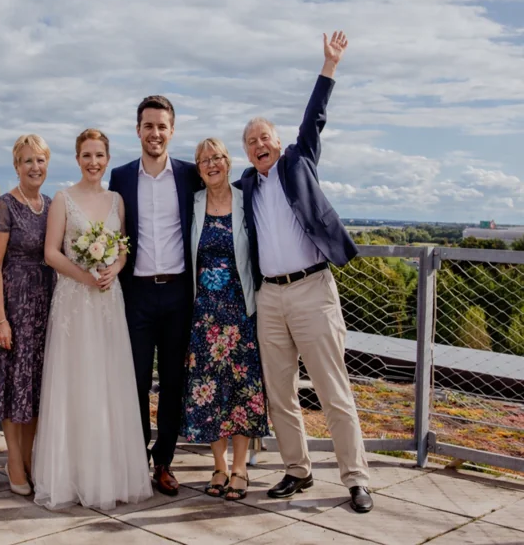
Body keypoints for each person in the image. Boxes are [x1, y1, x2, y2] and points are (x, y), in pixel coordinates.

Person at [236, 31, 373, 513]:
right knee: (280, 394)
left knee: (333, 390)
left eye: (264, 137)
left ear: (278, 142)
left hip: (313, 288)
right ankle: (297, 470)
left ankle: (356, 478)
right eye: (251, 141)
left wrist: (329, 66)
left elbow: (314, 116)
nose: (259, 144)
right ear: (246, 153)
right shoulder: (245, 186)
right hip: (270, 297)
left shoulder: (298, 162)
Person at [32, 129, 152, 511]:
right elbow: (51, 253)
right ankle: (74, 477)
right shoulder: (63, 200)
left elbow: (123, 249)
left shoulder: (117, 200)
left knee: (109, 381)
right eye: (87, 155)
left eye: (99, 155)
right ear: (77, 158)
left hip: (108, 301)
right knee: (77, 381)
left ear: (107, 158)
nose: (93, 162)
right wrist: (84, 276)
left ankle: (110, 475)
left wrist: (115, 268)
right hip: (75, 302)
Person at [108, 96, 202, 496]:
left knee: (174, 382)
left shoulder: (190, 175)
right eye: (148, 126)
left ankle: (163, 461)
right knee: (136, 380)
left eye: (162, 126)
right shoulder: (121, 177)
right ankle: (135, 459)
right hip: (137, 294)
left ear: (172, 131)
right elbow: (111, 230)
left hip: (179, 293)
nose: (155, 133)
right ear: (138, 130)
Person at [181, 138, 269, 501]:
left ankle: (240, 468)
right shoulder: (193, 204)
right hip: (204, 315)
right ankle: (218, 466)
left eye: (216, 157)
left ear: (227, 162)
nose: (211, 164)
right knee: (209, 391)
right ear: (198, 169)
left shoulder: (246, 200)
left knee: (241, 391)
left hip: (240, 312)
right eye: (203, 160)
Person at [0, 134, 55, 496]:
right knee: (15, 389)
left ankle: (29, 460)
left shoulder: (51, 205)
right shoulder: (5, 206)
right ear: (16, 166)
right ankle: (13, 461)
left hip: (46, 308)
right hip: (14, 308)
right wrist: (0, 319)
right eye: (28, 161)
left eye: (40, 160)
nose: (34, 167)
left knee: (36, 389)